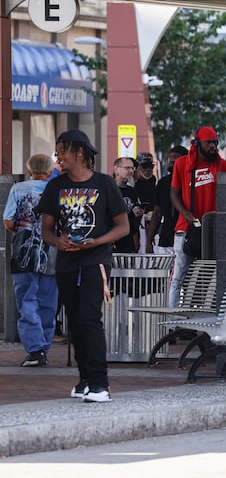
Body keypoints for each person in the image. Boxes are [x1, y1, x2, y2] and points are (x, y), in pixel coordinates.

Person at [39, 129, 130, 403]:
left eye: (62, 150)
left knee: (90, 318)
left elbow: (123, 226)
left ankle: (101, 383)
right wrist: (58, 241)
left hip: (95, 261)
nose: (58, 156)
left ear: (79, 152)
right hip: (67, 263)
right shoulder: (55, 186)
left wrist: (96, 242)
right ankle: (84, 379)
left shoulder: (104, 184)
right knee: (75, 323)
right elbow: (46, 230)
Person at [167, 127, 226, 308]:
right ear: (198, 144)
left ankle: (209, 321)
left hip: (214, 232)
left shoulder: (224, 166)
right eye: (209, 143)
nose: (213, 146)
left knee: (213, 279)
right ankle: (172, 328)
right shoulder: (182, 164)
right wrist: (184, 212)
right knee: (178, 279)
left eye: (215, 142)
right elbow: (174, 194)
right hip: (186, 229)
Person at [4, 154, 58, 367]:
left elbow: (8, 221)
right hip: (52, 249)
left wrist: (23, 229)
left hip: (23, 251)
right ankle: (44, 346)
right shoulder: (57, 189)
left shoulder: (18, 189)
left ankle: (35, 349)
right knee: (48, 300)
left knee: (26, 299)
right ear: (50, 169)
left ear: (29, 170)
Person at [147, 145, 188, 255]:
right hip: (166, 238)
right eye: (170, 157)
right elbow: (157, 212)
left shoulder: (190, 182)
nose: (171, 160)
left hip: (186, 238)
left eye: (176, 157)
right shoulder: (163, 183)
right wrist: (149, 241)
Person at [112, 157, 142, 253]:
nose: (130, 171)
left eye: (132, 168)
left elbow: (134, 218)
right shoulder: (109, 188)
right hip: (112, 237)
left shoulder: (132, 191)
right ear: (116, 169)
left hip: (129, 237)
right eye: (127, 168)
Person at [134, 152, 157, 251]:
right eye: (144, 166)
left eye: (151, 166)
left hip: (150, 222)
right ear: (138, 167)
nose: (148, 169)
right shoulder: (132, 183)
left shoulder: (152, 181)